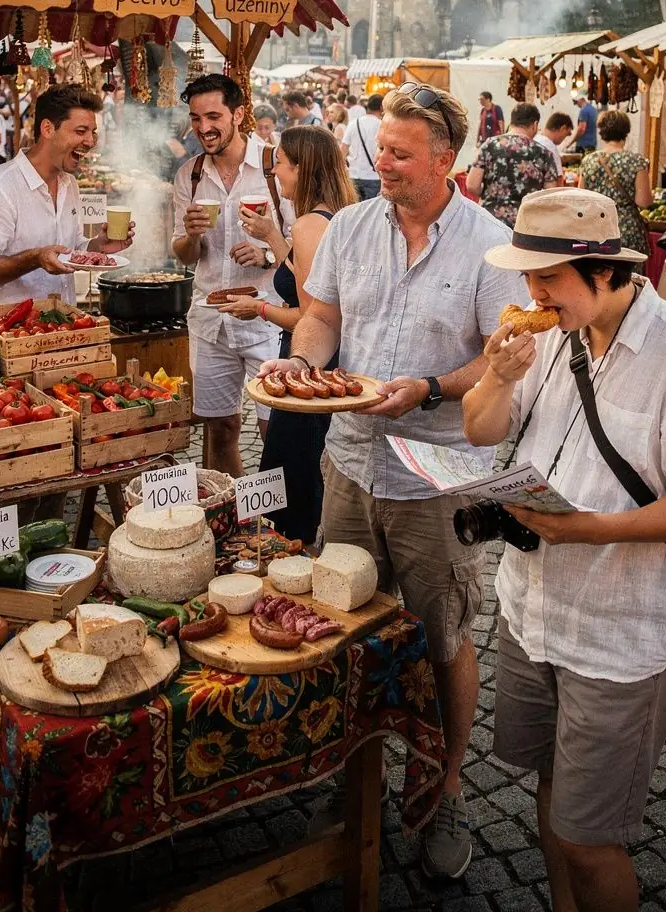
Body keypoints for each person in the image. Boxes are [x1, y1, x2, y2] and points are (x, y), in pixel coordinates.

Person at [261, 84, 526, 879]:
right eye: (381, 148)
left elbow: (500, 356)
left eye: (401, 153)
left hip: (436, 476)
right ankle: (351, 780)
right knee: (341, 626)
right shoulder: (348, 225)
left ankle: (447, 791)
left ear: (446, 161)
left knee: (443, 638)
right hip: (348, 460)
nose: (384, 163)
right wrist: (304, 362)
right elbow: (322, 316)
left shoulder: (489, 242)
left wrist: (433, 387)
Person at [463, 188, 666, 912]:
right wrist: (496, 375)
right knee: (555, 795)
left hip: (616, 634)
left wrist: (588, 528)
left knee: (591, 837)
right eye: (526, 278)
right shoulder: (552, 338)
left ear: (602, 269)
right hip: (532, 609)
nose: (532, 294)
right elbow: (480, 430)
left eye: (546, 279)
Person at [222, 126, 357, 544]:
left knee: (288, 473)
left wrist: (258, 308)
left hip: (306, 361)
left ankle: (288, 560)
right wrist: (273, 239)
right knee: (301, 467)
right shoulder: (339, 213)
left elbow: (309, 315)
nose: (274, 172)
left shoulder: (309, 224)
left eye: (279, 163)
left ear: (301, 168)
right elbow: (312, 278)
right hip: (326, 360)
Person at [171, 74, 280, 477]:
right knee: (221, 428)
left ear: (239, 114)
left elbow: (305, 244)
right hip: (210, 321)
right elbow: (184, 255)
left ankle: (284, 525)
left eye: (213, 116)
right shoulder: (190, 175)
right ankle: (231, 517)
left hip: (267, 318)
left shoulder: (273, 167)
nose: (204, 128)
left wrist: (267, 252)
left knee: (276, 428)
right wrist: (193, 235)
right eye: (196, 118)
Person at [0, 85, 133, 308]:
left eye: (93, 132)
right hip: (11, 333)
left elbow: (68, 249)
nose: (90, 142)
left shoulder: (69, 183)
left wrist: (97, 247)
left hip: (63, 324)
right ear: (48, 129)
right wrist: (34, 259)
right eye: (81, 132)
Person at [466, 102, 558, 226]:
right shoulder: (544, 153)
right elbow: (550, 195)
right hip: (526, 226)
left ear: (512, 121)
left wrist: (490, 194)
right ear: (535, 125)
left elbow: (471, 184)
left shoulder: (490, 145)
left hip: (490, 222)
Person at [578, 109, 651, 254]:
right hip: (627, 232)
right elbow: (644, 202)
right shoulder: (636, 161)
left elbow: (581, 199)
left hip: (596, 230)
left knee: (598, 274)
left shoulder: (588, 161)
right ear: (626, 131)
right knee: (629, 276)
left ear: (602, 132)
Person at [342, 92, 383, 199]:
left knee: (355, 212)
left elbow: (343, 149)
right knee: (371, 213)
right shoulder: (381, 125)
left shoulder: (353, 123)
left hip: (353, 175)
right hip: (373, 176)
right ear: (381, 107)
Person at [534, 111, 573, 182]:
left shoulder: (535, 139)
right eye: (567, 134)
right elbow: (559, 181)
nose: (565, 138)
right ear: (563, 128)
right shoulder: (551, 148)